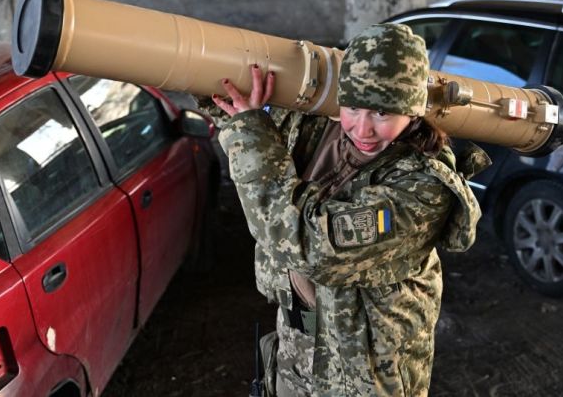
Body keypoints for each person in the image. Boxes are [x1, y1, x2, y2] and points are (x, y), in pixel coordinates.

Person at [207, 23, 489, 397]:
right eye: (353, 107)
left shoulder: (422, 188)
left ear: (413, 113)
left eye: (382, 114)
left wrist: (251, 133)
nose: (363, 128)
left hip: (362, 379)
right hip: (299, 352)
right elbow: (226, 99)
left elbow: (305, 243)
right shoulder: (315, 128)